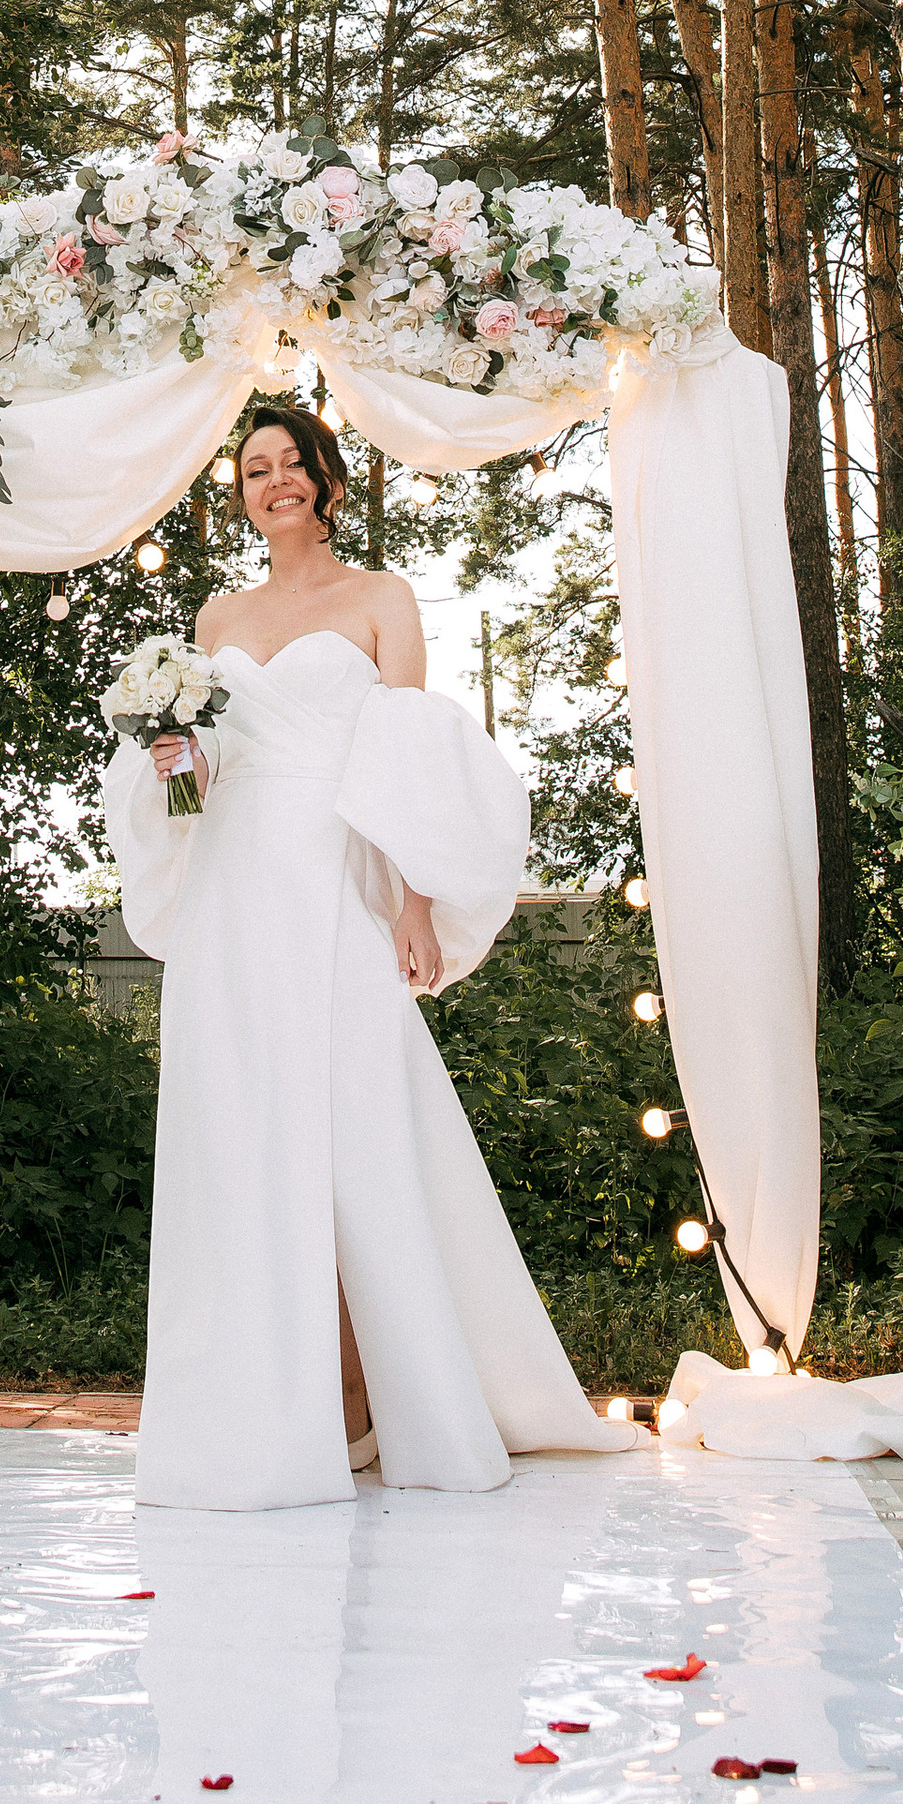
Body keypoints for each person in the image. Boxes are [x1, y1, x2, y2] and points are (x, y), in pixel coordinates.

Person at [104, 399, 632, 1511]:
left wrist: (412, 903)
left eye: (294, 464)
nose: (276, 482)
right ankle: (272, 1405)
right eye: (256, 469)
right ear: (238, 494)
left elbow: (407, 764)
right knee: (248, 1139)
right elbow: (201, 784)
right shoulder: (213, 616)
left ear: (327, 480)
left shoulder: (382, 599)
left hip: (336, 885)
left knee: (354, 1133)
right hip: (233, 895)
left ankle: (379, 1394)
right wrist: (168, 762)